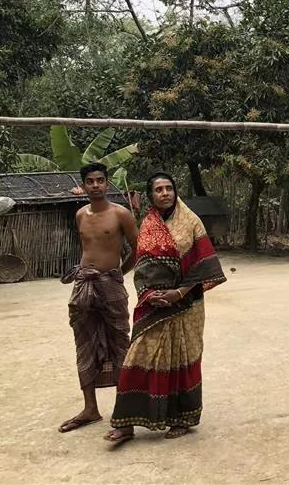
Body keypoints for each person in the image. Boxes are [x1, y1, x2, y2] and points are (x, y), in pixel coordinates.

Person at [105, 172, 226, 443]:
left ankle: (182, 418)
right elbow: (142, 267)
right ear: (151, 195)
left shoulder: (191, 221)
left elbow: (203, 265)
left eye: (169, 188)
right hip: (154, 305)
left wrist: (178, 293)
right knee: (137, 357)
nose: (164, 193)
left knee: (183, 358)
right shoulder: (147, 224)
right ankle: (125, 423)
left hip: (186, 303)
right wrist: (149, 295)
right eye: (158, 189)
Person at [59, 162, 139, 433]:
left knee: (120, 344)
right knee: (84, 344)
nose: (95, 185)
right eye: (90, 181)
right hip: (83, 284)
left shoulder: (121, 214)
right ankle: (90, 409)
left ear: (107, 183)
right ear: (83, 186)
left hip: (110, 285)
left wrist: (119, 272)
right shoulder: (80, 214)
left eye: (100, 180)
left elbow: (137, 248)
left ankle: (125, 414)